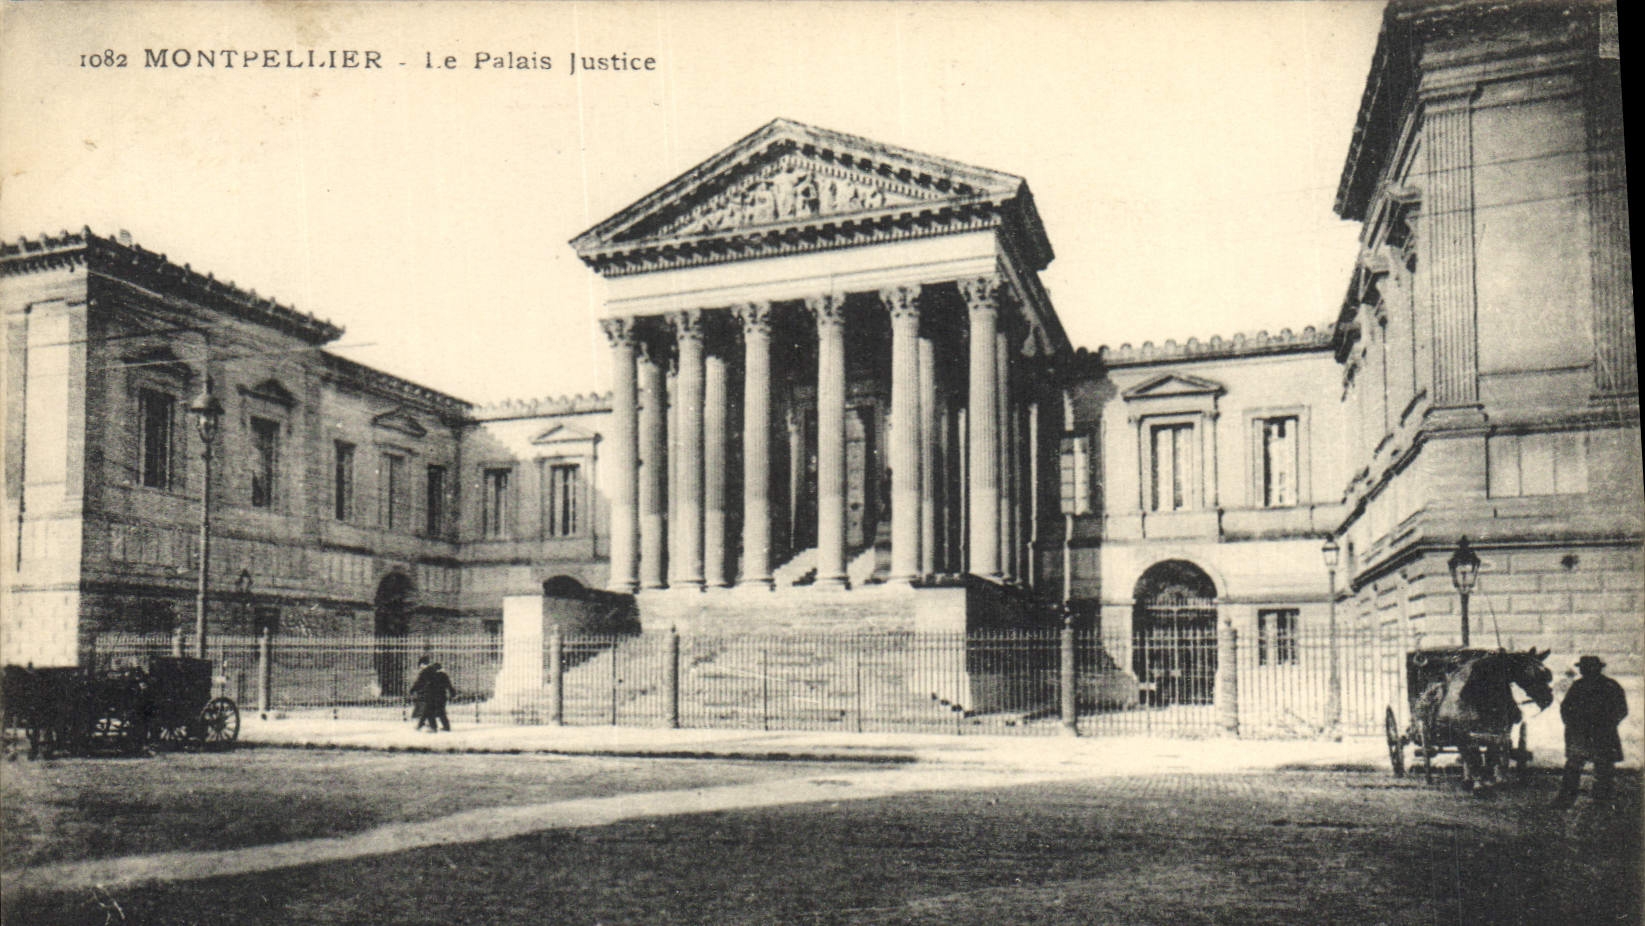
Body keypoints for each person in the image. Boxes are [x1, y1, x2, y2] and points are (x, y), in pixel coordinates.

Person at [1554, 655, 1629, 807]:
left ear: (1597, 668)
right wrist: (1572, 725)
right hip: (1580, 733)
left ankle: (1602, 800)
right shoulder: (1578, 686)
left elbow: (1621, 709)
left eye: (1587, 667)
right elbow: (1566, 708)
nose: (1584, 670)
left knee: (1603, 767)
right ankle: (1566, 800)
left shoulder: (1610, 686)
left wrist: (1608, 724)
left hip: (1603, 734)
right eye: (1583, 668)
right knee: (1574, 766)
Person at [421, 661, 457, 733]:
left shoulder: (432, 676)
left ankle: (433, 727)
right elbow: (449, 685)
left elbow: (428, 686)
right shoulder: (444, 675)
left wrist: (424, 693)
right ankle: (446, 727)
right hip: (442, 697)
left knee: (430, 712)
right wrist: (453, 693)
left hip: (432, 697)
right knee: (441, 712)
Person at [409, 656, 437, 732]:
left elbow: (419, 682)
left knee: (427, 710)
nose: (420, 667)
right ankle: (422, 725)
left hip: (428, 693)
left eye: (420, 665)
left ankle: (432, 727)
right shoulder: (432, 670)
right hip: (433, 693)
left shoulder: (425, 672)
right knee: (427, 710)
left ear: (422, 664)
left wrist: (413, 690)